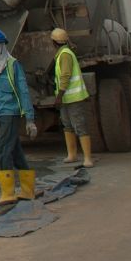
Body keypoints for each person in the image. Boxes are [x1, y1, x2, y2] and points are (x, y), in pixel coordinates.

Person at [0, 28, 36, 204]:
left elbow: (23, 90)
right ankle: (27, 190)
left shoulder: (12, 65)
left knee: (2, 150)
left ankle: (8, 193)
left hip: (11, 112)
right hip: (1, 114)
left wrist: (29, 118)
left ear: (3, 46)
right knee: (15, 152)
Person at [51, 27, 95, 169]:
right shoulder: (62, 53)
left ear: (54, 42)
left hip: (73, 97)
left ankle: (87, 158)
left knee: (79, 126)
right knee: (67, 125)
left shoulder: (65, 55)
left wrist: (59, 96)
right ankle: (72, 155)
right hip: (67, 98)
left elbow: (65, 76)